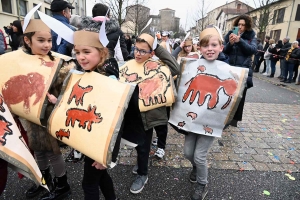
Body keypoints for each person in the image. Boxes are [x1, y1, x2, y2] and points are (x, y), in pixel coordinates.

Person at [9, 17, 72, 200]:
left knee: (52, 152)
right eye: (41, 40)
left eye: (49, 40)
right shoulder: (18, 61)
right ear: (27, 41)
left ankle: (62, 186)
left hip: (48, 116)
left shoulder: (56, 63)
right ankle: (45, 182)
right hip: (30, 115)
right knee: (38, 150)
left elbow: (65, 93)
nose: (47, 45)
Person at [120, 33, 179, 194]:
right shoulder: (129, 64)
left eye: (143, 51)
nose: (138, 53)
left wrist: (157, 47)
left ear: (151, 52)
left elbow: (175, 68)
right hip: (131, 114)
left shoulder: (158, 65)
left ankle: (142, 174)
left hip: (148, 115)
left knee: (144, 145)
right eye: (136, 49)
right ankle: (141, 162)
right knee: (137, 144)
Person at [183, 27, 229, 200]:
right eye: (205, 45)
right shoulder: (192, 66)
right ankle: (196, 167)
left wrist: (243, 78)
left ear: (221, 47)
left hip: (211, 120)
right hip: (193, 118)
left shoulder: (228, 68)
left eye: (214, 45)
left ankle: (202, 184)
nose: (210, 48)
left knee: (200, 156)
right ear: (200, 48)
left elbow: (237, 88)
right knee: (188, 153)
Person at [223, 14, 256, 127]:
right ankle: (224, 116)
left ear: (247, 26)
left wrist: (240, 41)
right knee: (227, 93)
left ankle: (234, 120)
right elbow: (224, 51)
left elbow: (252, 50)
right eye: (239, 24)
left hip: (243, 70)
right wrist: (230, 43)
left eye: (243, 25)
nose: (240, 26)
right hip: (230, 69)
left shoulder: (251, 36)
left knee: (240, 95)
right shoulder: (229, 35)